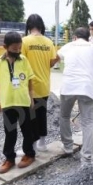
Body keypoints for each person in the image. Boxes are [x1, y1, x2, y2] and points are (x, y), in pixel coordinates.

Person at [56, 27, 93, 165]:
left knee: (65, 116)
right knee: (88, 122)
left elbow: (55, 58)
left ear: (74, 37)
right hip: (87, 87)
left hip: (68, 86)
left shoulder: (67, 46)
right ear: (88, 38)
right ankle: (86, 158)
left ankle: (67, 147)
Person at [0, 31, 36, 174]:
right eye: (14, 48)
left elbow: (29, 79)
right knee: (10, 132)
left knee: (27, 131)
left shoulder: (24, 60)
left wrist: (31, 97)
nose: (17, 51)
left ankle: (29, 154)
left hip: (23, 102)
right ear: (5, 46)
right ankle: (9, 158)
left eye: (19, 48)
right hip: (7, 103)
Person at [21, 14, 57, 153]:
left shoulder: (24, 41)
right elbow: (51, 63)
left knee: (30, 118)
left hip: (29, 86)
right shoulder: (48, 42)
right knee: (42, 115)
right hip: (44, 85)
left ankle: (32, 147)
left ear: (28, 26)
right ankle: (42, 143)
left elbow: (21, 63)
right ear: (41, 25)